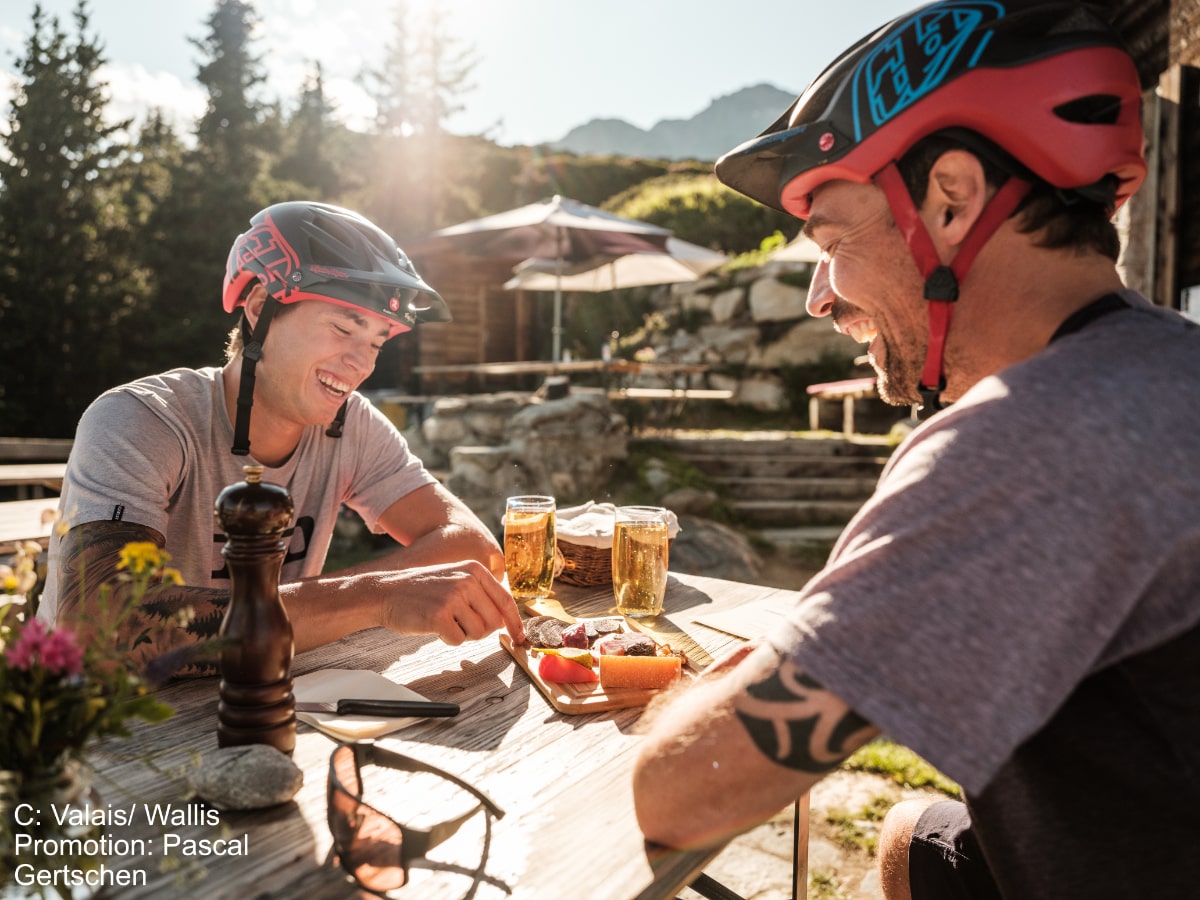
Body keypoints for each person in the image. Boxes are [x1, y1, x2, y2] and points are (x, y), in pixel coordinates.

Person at [632, 3, 1200, 898]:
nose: (820, 298)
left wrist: (711, 691)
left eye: (830, 241)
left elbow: (681, 796)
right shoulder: (1167, 368)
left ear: (952, 198)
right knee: (911, 836)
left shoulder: (1029, 439)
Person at [40, 201, 523, 671]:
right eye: (342, 328)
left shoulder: (350, 424)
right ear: (258, 307)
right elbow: (100, 630)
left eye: (376, 342)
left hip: (261, 706)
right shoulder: (140, 420)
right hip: (99, 728)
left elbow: (474, 548)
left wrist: (339, 604)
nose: (362, 364)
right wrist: (370, 598)